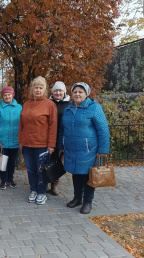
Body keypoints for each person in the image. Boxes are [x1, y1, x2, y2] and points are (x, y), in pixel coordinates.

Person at [57, 82, 110, 214]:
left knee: (88, 176)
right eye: (75, 92)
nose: (77, 94)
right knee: (76, 175)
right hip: (71, 150)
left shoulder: (94, 108)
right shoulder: (68, 109)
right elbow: (62, 130)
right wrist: (60, 147)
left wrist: (103, 150)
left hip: (89, 150)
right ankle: (77, 198)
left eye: (80, 92)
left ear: (86, 94)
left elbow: (103, 130)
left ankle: (87, 202)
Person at [19, 76, 57, 205]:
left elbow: (53, 126)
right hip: (27, 144)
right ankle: (33, 190)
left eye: (41, 88)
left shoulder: (49, 105)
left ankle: (41, 192)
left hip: (42, 144)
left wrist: (51, 145)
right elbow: (21, 125)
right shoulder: (26, 104)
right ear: (32, 89)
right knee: (30, 169)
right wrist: (21, 141)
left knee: (41, 170)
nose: (38, 90)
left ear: (44, 89)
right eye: (36, 87)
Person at [0, 86, 22, 190]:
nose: (7, 96)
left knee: (12, 161)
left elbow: (22, 124)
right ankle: (3, 180)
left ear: (12, 95)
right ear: (2, 96)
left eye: (9, 94)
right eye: (5, 95)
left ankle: (11, 179)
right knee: (3, 161)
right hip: (3, 141)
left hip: (15, 140)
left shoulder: (19, 107)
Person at [48, 81, 71, 195]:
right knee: (46, 161)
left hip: (62, 138)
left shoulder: (69, 105)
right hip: (48, 138)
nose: (58, 93)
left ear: (64, 92)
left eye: (60, 90)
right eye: (55, 91)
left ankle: (54, 185)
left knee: (58, 163)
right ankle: (44, 183)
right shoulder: (48, 103)